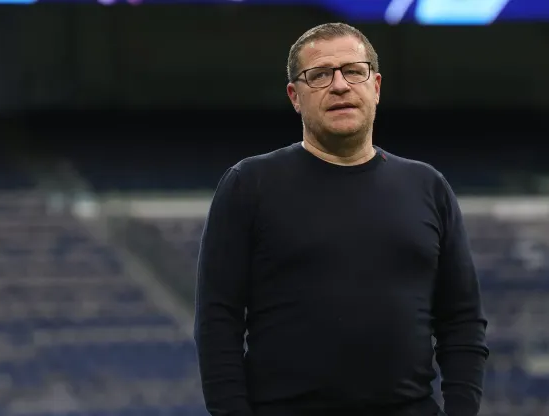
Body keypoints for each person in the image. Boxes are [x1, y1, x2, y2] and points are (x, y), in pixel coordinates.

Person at [194, 22, 489, 416]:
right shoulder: (249, 185)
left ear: (376, 86)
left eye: (354, 70)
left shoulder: (428, 186)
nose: (339, 85)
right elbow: (217, 323)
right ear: (294, 96)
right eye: (319, 75)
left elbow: (462, 321)